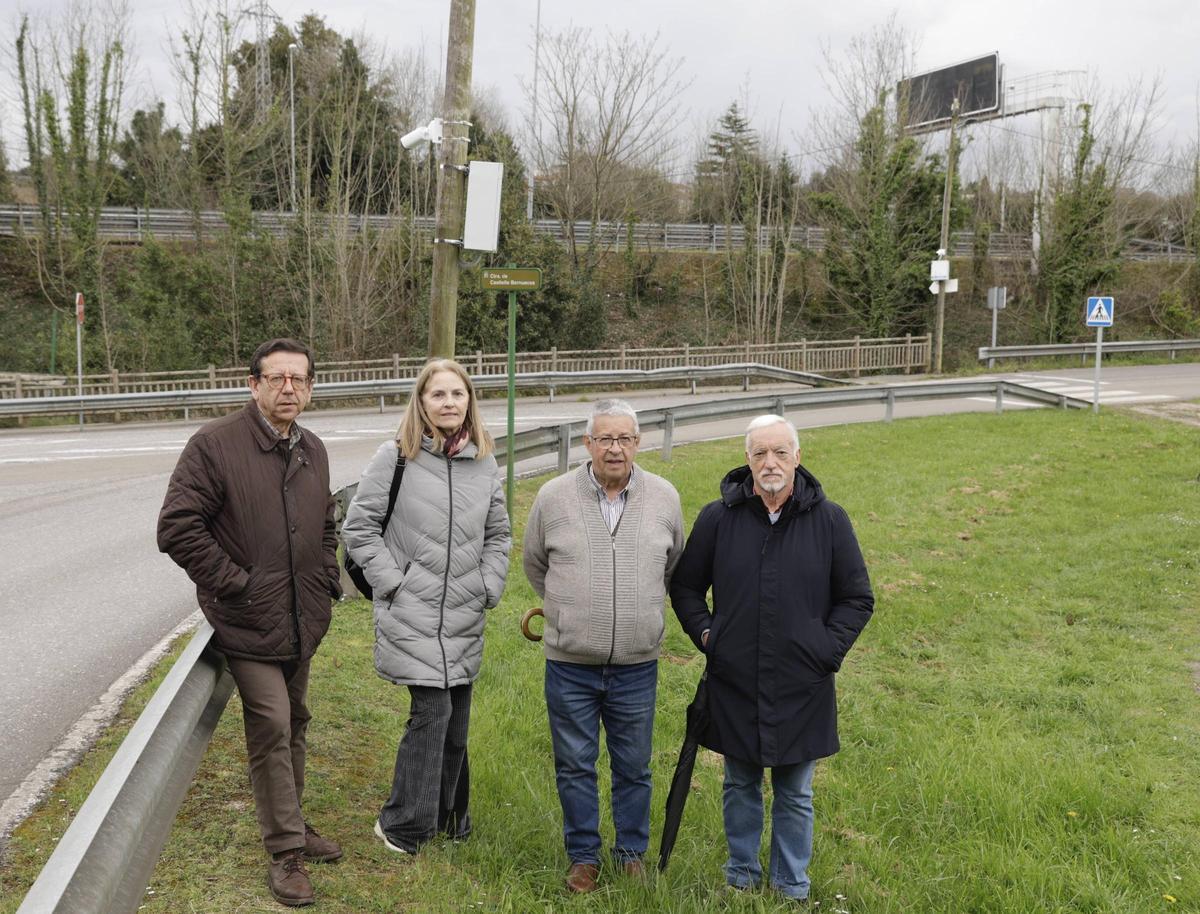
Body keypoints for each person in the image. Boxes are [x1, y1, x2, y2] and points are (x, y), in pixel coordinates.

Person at [157, 338, 342, 908]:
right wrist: (236, 584)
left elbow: (325, 523)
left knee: (298, 719)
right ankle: (285, 851)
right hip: (246, 620)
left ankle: (294, 821)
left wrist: (327, 578)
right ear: (253, 383)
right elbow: (177, 529)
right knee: (271, 724)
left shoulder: (311, 447)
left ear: (310, 388)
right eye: (277, 378)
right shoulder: (214, 446)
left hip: (300, 616)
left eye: (300, 379)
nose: (289, 388)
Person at [669, 414, 874, 903]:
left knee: (795, 790)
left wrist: (826, 650)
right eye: (760, 453)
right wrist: (707, 634)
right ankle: (741, 875)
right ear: (747, 460)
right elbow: (686, 586)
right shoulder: (719, 518)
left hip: (802, 681)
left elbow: (856, 598)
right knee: (739, 782)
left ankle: (790, 884)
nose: (770, 462)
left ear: (798, 458)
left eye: (780, 452)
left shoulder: (829, 520)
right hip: (734, 677)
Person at [342, 358, 510, 856]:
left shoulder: (484, 463)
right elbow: (358, 529)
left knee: (456, 726)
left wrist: (487, 585)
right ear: (421, 402)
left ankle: (450, 820)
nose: (449, 403)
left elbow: (499, 534)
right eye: (438, 395)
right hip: (412, 611)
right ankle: (403, 826)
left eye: (457, 394)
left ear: (469, 402)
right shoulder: (394, 458)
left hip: (463, 613)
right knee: (431, 715)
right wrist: (392, 584)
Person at [523, 398, 685, 893]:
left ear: (638, 444)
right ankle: (584, 857)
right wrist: (571, 610)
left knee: (634, 765)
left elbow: (673, 563)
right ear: (587, 444)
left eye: (624, 439)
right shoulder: (553, 497)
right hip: (570, 663)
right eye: (604, 439)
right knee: (574, 764)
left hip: (637, 663)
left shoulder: (664, 497)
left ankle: (631, 853)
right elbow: (535, 564)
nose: (614, 448)